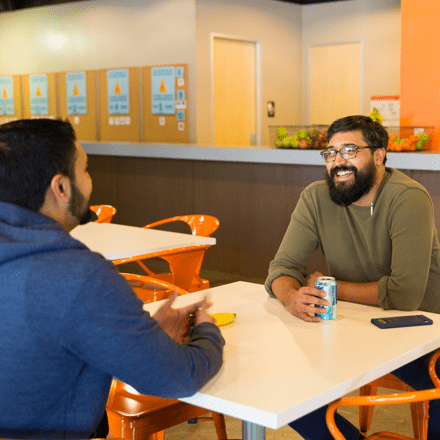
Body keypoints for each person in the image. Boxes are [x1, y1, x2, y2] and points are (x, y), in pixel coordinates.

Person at [0, 119, 224, 439]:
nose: (91, 182)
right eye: (86, 169)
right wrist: (208, 332)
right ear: (61, 188)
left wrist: (142, 338)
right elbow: (177, 377)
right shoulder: (81, 277)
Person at [265, 115, 440, 440]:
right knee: (279, 381)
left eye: (349, 150)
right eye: (330, 153)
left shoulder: (409, 198)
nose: (338, 162)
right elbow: (282, 268)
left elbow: (405, 295)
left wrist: (330, 287)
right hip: (350, 329)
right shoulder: (316, 198)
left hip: (418, 335)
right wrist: (292, 296)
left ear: (379, 155)